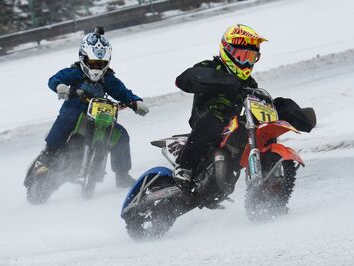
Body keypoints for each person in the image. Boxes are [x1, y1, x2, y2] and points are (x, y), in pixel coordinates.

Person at [36, 27, 149, 188]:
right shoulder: (75, 72)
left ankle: (122, 175)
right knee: (66, 119)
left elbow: (122, 92)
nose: (96, 67)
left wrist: (136, 102)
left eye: (100, 63)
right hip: (75, 109)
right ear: (83, 57)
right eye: (93, 62)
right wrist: (60, 86)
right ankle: (48, 154)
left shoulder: (108, 78)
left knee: (121, 135)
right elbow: (55, 78)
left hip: (100, 116)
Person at [174, 24, 267, 189]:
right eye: (241, 56)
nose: (246, 62)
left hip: (231, 124)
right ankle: (184, 167)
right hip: (206, 118)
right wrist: (225, 82)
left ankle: (266, 177)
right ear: (228, 51)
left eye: (250, 57)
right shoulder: (210, 67)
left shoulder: (248, 82)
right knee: (213, 123)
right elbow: (184, 79)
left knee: (251, 129)